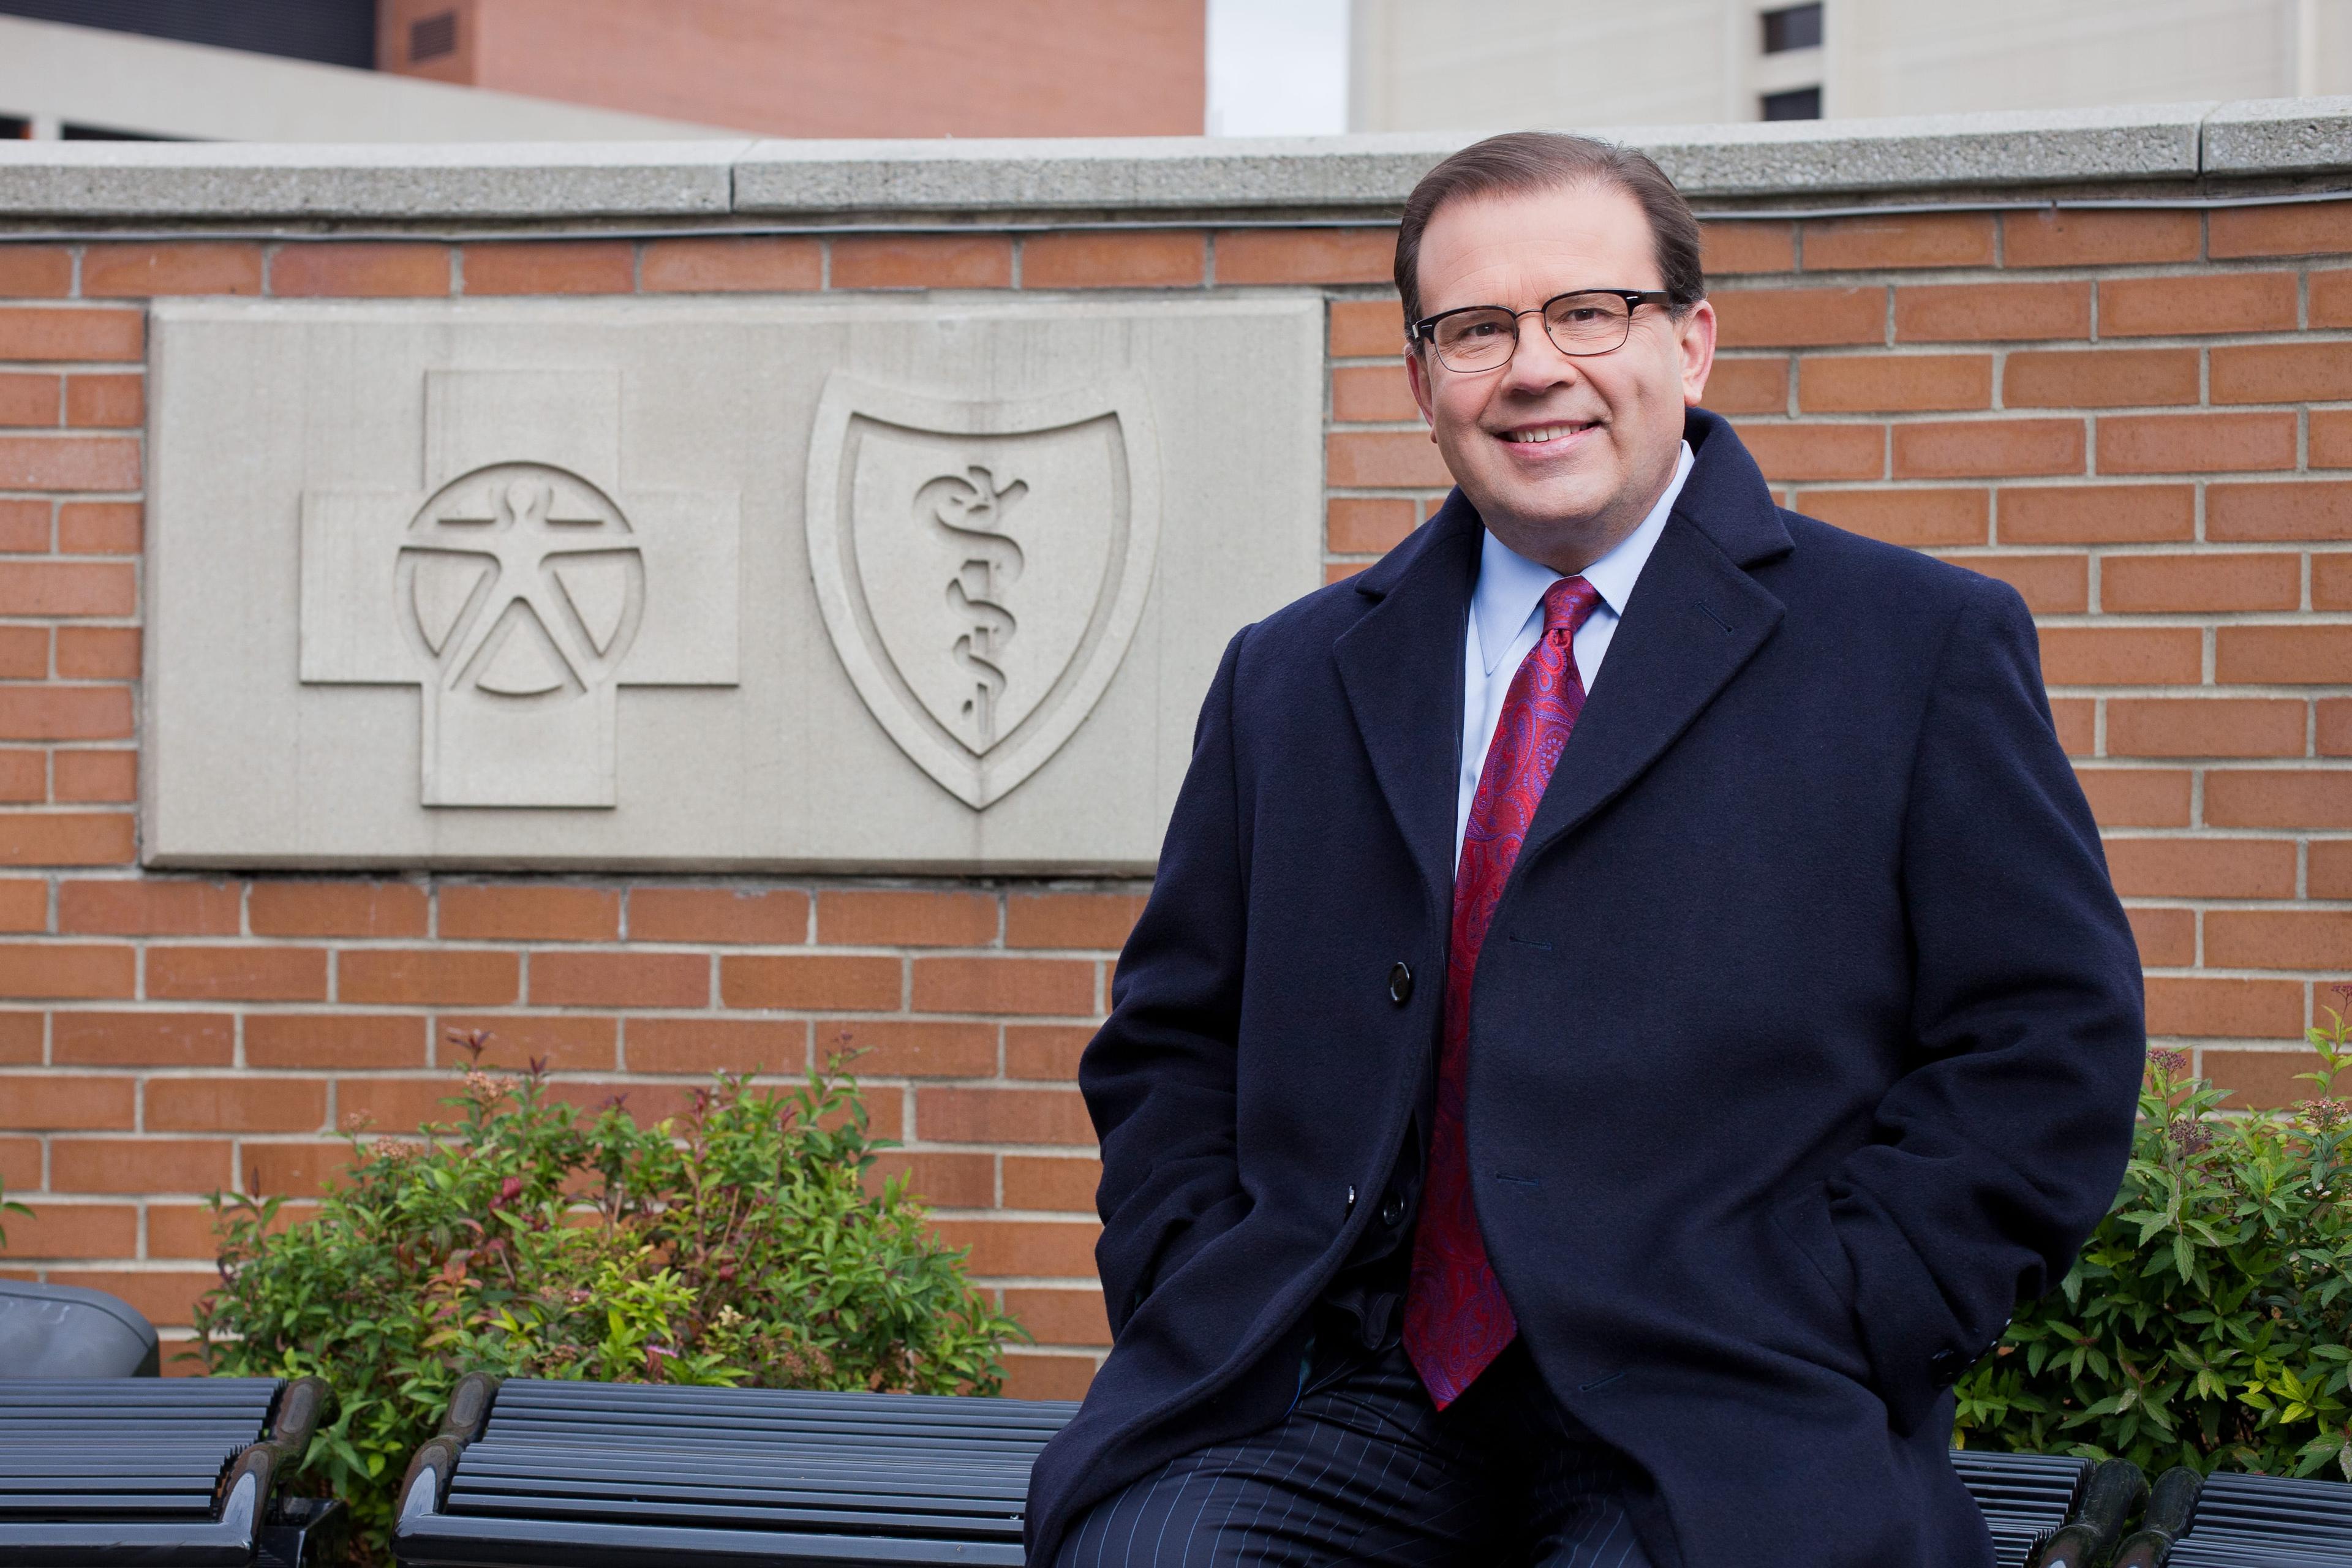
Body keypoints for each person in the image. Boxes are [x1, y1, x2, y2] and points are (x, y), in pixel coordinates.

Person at [1023, 131, 2146, 1568]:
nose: (1533, 365)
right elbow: (1172, 1040)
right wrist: (1195, 1268)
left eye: (1586, 313)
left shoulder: (1916, 644)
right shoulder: (1290, 674)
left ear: (1691, 342)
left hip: (1720, 1389)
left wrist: (1854, 1302)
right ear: (1421, 377)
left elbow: (2045, 1041)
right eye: (1477, 327)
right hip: (1341, 1385)